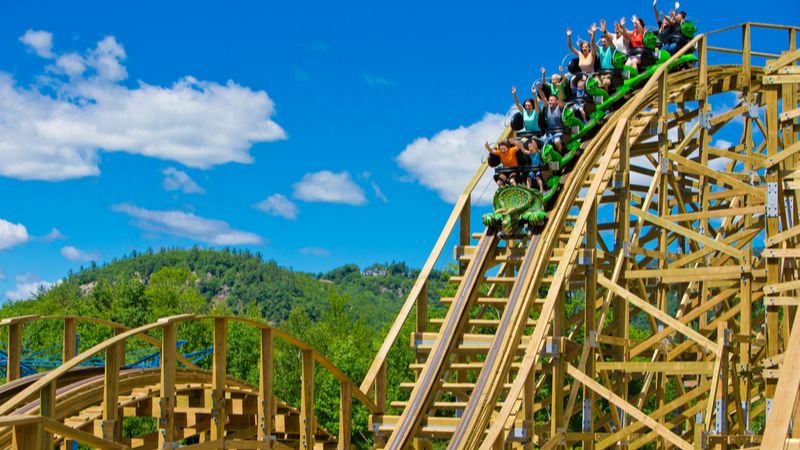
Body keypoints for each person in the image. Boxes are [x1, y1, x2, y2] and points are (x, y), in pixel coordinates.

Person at [543, 86, 566, 154]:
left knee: (556, 141)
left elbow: (561, 99)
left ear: (556, 101)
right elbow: (543, 98)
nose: (550, 102)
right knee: (542, 142)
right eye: (549, 100)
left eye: (552, 100)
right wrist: (536, 91)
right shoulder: (547, 108)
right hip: (550, 134)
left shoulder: (560, 107)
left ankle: (561, 154)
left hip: (559, 132)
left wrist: (559, 88)